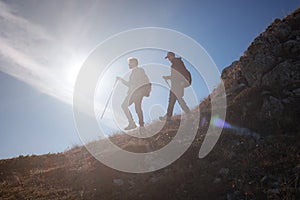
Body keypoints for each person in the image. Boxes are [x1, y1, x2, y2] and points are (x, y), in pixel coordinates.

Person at [117, 57, 151, 130]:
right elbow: (130, 84)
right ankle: (136, 124)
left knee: (135, 107)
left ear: (134, 63)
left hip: (138, 92)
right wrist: (121, 80)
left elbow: (141, 81)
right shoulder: (133, 73)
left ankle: (139, 125)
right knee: (131, 107)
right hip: (133, 92)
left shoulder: (139, 70)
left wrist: (142, 90)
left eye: (130, 63)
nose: (128, 64)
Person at [160, 52, 191, 121]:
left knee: (173, 99)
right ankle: (187, 112)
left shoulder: (177, 62)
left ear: (172, 56)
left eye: (169, 57)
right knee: (176, 99)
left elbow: (182, 72)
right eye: (167, 58)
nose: (168, 59)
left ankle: (168, 116)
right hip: (177, 84)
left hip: (178, 84)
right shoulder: (174, 64)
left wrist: (184, 81)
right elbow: (175, 76)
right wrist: (167, 77)